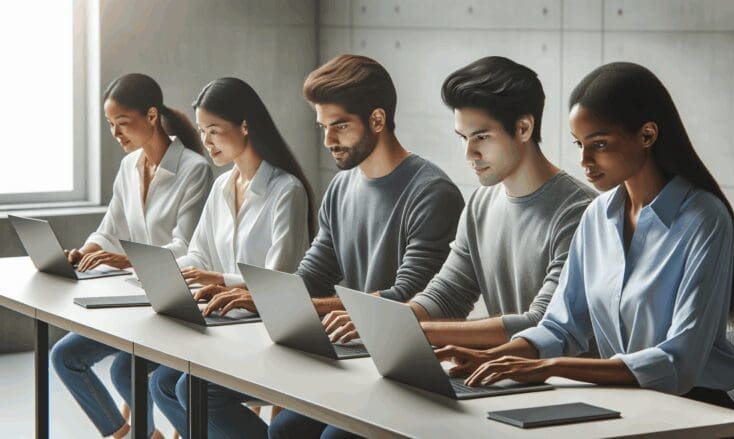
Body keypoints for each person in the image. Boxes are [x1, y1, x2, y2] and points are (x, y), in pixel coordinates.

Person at [436, 62, 734, 409]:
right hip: (625, 404)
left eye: (598, 144)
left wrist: (548, 367)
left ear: (647, 135)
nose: (584, 160)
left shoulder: (703, 219)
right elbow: (559, 328)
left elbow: (679, 360)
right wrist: (490, 356)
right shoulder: (598, 215)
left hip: (698, 412)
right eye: (579, 144)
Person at [204, 55, 465, 439]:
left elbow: (406, 299)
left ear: (377, 120)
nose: (328, 141)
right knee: (208, 394)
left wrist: (290, 305)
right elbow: (313, 276)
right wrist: (257, 295)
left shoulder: (431, 193)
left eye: (339, 126)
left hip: (403, 369)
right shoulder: (341, 188)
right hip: (349, 353)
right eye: (323, 127)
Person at [324, 56, 596, 348]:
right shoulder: (481, 203)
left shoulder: (580, 213)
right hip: (505, 376)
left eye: (481, 137)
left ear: (523, 128)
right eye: (463, 137)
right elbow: (448, 294)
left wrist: (408, 331)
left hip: (570, 386)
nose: (469, 153)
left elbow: (541, 323)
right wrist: (386, 319)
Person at [146, 77, 315, 439]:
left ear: (244, 126)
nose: (205, 142)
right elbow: (200, 253)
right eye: (201, 131)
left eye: (214, 131)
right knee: (161, 382)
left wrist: (220, 281)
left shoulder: (286, 191)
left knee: (184, 389)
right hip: (223, 325)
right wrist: (165, 272)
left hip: (262, 332)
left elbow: (278, 279)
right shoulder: (223, 185)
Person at [51, 73, 212, 439]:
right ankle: (129, 433)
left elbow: (187, 247)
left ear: (152, 116)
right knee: (64, 356)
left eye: (123, 123)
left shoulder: (194, 170)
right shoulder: (129, 167)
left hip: (171, 303)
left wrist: (127, 261)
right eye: (111, 124)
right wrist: (82, 253)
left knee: (124, 370)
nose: (115, 133)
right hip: (131, 300)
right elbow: (110, 231)